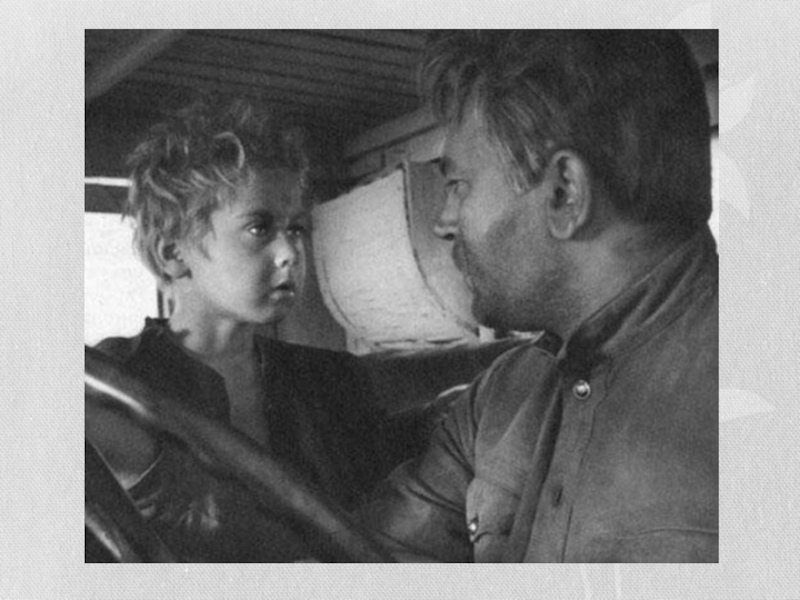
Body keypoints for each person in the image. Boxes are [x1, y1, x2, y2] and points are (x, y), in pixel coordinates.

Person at [357, 30, 718, 562]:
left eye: (457, 185)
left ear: (564, 192)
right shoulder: (496, 398)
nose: (443, 222)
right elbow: (366, 559)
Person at [85, 97, 387, 562]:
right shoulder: (108, 387)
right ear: (173, 253)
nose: (289, 253)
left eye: (296, 229)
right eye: (259, 228)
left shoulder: (336, 379)